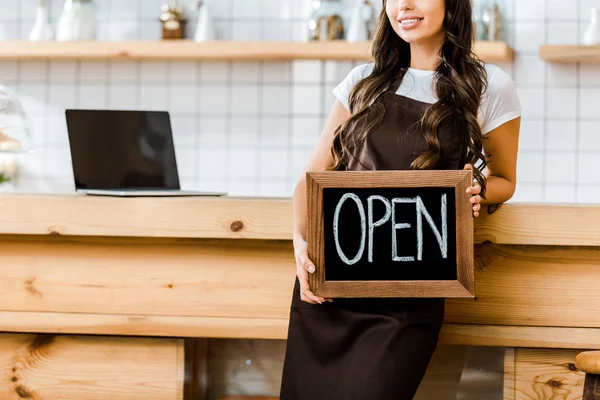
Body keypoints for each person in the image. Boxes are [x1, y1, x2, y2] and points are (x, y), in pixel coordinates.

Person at [279, 0, 521, 398]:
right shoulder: (362, 80)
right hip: (332, 287)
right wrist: (300, 244)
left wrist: (476, 191)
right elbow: (311, 178)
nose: (403, 5)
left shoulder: (489, 85)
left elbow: (505, 179)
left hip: (411, 293)